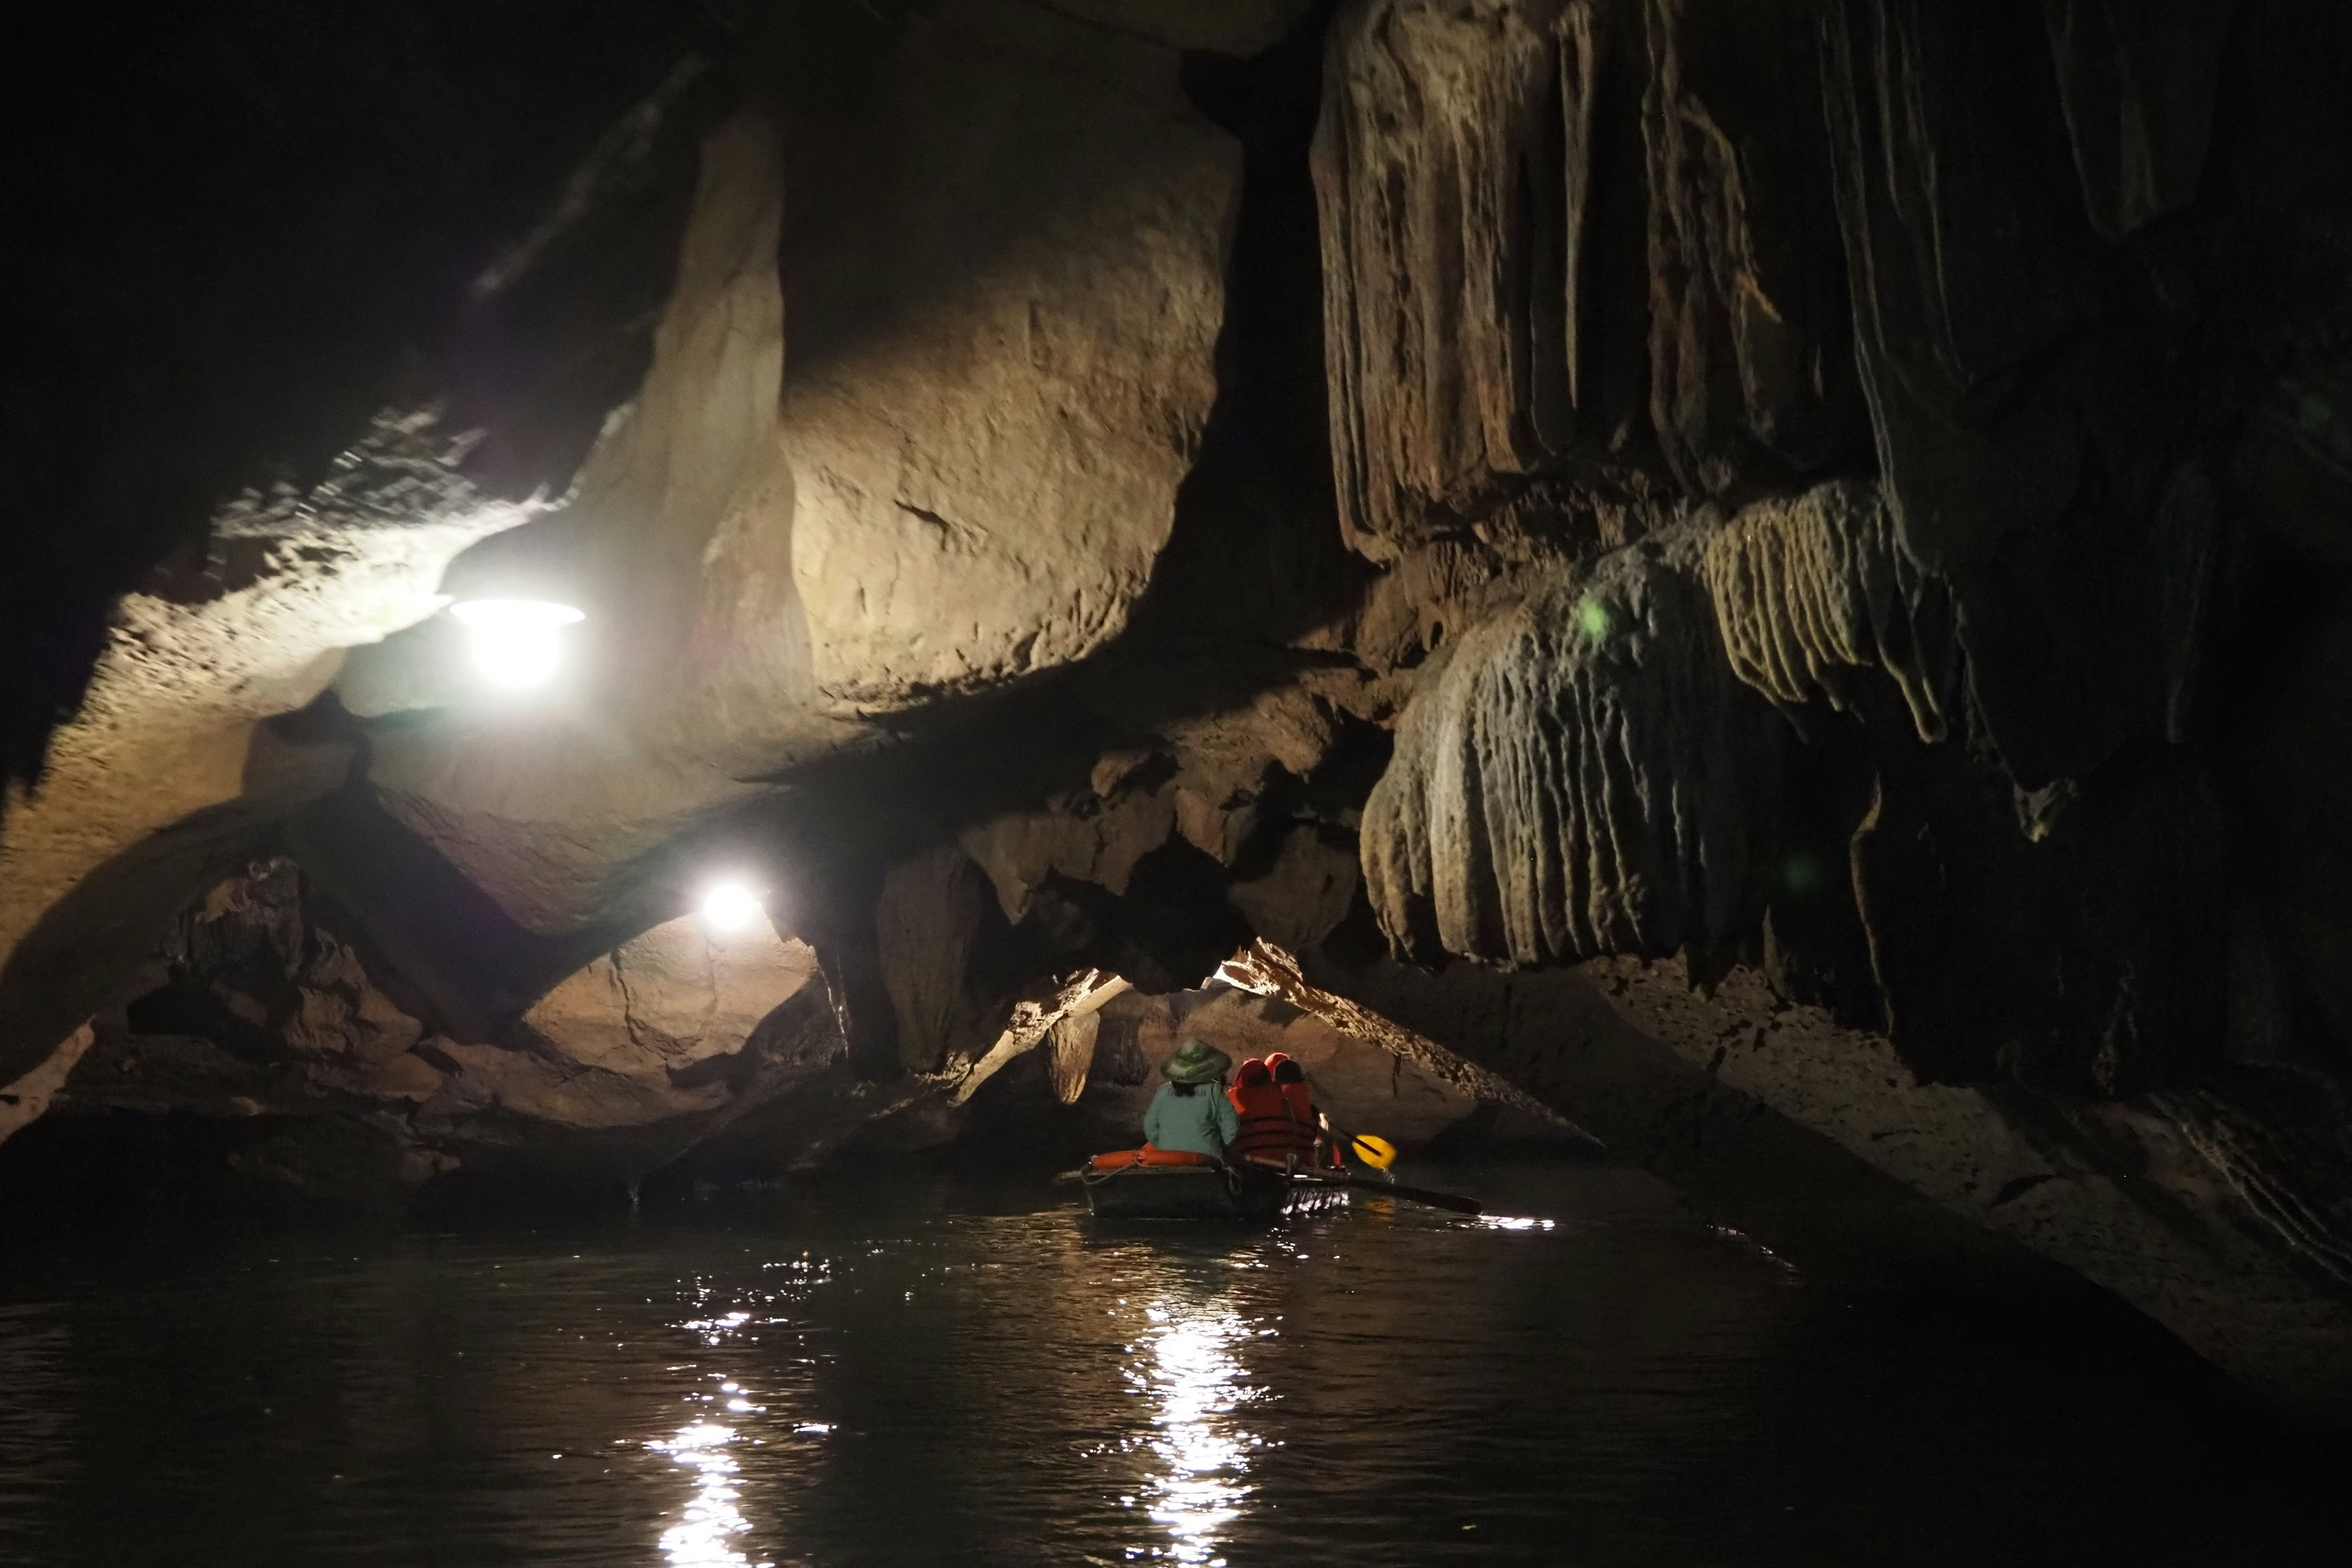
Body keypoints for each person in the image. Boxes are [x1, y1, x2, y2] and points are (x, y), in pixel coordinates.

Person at [1142, 1039, 1240, 1160]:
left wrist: (1166, 1147)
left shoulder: (1163, 1091)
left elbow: (1150, 1127)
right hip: (1207, 1158)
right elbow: (1232, 1127)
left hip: (1168, 1159)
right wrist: (1217, 1146)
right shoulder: (1213, 1090)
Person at [1265, 1052, 1340, 1167]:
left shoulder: (1273, 1099)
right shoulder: (1307, 1103)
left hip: (1279, 1161)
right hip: (1307, 1161)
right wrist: (1323, 1127)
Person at [1226, 1057, 1297, 1164]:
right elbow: (1292, 1132)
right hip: (1282, 1164)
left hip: (1249, 1166)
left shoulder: (1232, 1100)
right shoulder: (1282, 1100)